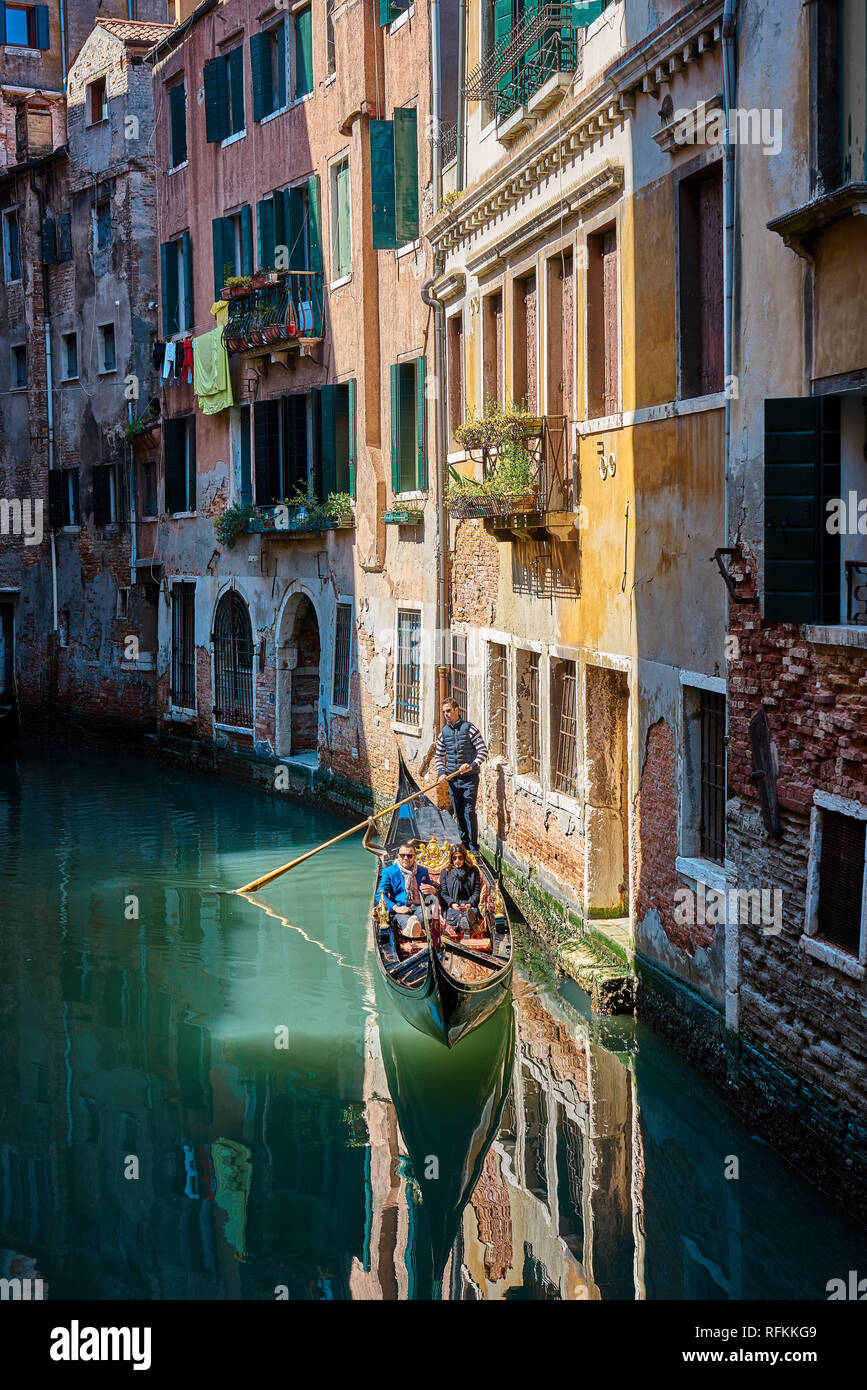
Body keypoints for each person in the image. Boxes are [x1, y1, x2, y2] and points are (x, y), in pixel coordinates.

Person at [435, 697, 488, 856]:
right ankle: (464, 845)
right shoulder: (443, 733)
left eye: (449, 711)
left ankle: (473, 848)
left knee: (469, 811)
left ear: (457, 710)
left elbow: (483, 751)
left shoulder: (470, 728)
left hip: (469, 779)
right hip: (453, 779)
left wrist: (471, 765)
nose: (446, 714)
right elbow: (438, 756)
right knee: (458, 812)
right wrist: (441, 773)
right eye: (444, 711)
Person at [377, 841, 440, 943]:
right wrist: (396, 908)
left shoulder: (423, 871)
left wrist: (433, 890)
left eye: (409, 856)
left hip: (420, 906)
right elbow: (379, 894)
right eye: (402, 855)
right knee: (405, 920)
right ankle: (413, 931)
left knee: (423, 918)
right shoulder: (389, 872)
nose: (405, 858)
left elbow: (431, 891)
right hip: (401, 907)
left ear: (415, 857)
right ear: (398, 856)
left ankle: (411, 931)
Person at [439, 843, 481, 938]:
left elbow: (476, 891)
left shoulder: (473, 871)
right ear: (451, 858)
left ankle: (466, 923)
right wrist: (452, 904)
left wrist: (470, 903)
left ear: (464, 858)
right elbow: (444, 893)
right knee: (458, 915)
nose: (457, 861)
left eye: (460, 858)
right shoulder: (445, 872)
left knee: (471, 911)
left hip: (468, 904)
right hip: (453, 906)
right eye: (454, 858)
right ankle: (467, 925)